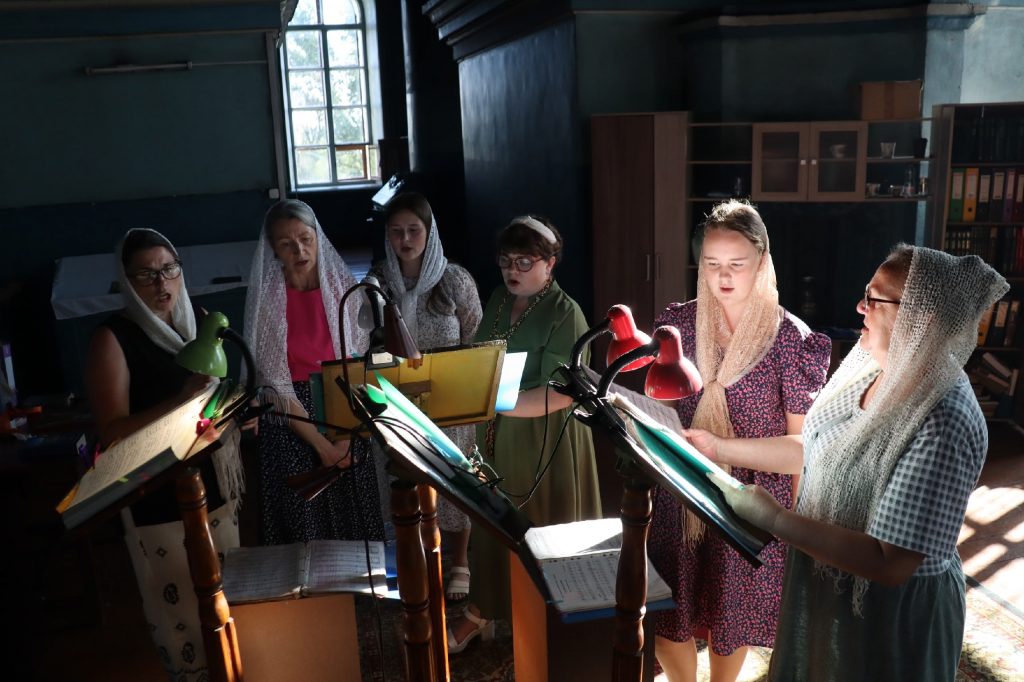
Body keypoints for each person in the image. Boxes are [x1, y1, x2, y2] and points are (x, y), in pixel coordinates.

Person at [707, 244, 1006, 681]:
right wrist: (718, 449)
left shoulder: (944, 418)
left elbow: (889, 562)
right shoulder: (873, 366)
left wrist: (775, 519)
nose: (860, 307)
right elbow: (821, 449)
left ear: (921, 319)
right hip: (831, 582)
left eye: (874, 298)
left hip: (888, 618)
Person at [647, 200, 831, 682]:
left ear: (763, 261)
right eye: (711, 264)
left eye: (736, 264)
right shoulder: (678, 326)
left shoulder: (790, 340)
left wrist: (723, 450)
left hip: (750, 500)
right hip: (682, 490)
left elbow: (803, 450)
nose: (723, 277)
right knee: (667, 610)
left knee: (731, 619)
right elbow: (657, 406)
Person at [86, 228, 246, 682]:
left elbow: (210, 401)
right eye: (146, 275)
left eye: (169, 269)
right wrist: (181, 400)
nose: (161, 283)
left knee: (229, 607)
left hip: (213, 484)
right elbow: (112, 435)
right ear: (127, 281)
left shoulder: (198, 322)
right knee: (185, 620)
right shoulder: (113, 339)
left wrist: (233, 413)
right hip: (159, 499)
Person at [447, 215, 602, 652]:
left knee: (541, 525)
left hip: (544, 437)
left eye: (524, 262)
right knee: (493, 522)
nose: (512, 271)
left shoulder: (565, 312)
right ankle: (484, 608)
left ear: (550, 263)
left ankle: (545, 622)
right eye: (505, 261)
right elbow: (481, 357)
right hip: (497, 430)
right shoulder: (499, 298)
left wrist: (492, 402)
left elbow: (562, 392)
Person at [364, 192, 482, 601]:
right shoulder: (377, 281)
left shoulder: (455, 280)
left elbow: (474, 337)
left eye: (414, 230)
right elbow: (366, 339)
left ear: (430, 232)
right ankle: (415, 559)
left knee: (454, 482)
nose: (405, 239)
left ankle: (460, 561)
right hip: (398, 400)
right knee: (402, 483)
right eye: (396, 231)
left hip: (450, 400)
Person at [244, 199, 383, 544]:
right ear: (273, 250)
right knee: (304, 527)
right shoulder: (268, 299)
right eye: (286, 244)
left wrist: (342, 438)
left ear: (318, 237)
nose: (299, 250)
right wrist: (322, 446)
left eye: (306, 239)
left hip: (343, 408)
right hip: (292, 416)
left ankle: (360, 584)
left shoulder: (342, 288)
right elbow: (275, 383)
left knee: (354, 523)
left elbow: (356, 362)